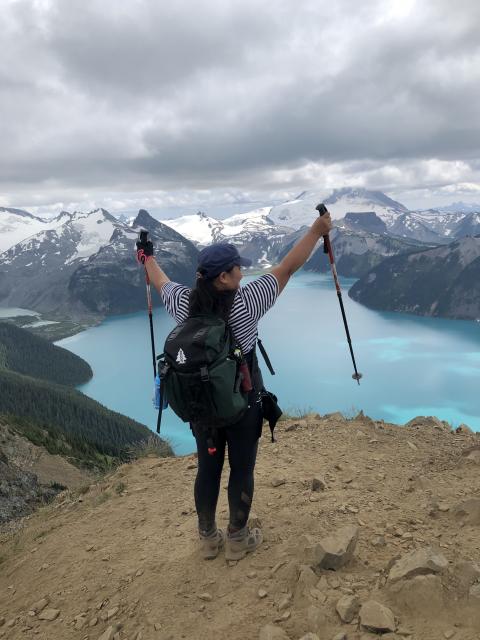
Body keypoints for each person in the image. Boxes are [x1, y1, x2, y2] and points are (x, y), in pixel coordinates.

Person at [136, 212, 332, 561]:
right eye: (237, 269)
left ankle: (209, 539)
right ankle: (238, 539)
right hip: (243, 404)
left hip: (203, 409)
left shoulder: (183, 303)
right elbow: (288, 267)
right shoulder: (247, 301)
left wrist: (146, 256)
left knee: (208, 468)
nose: (244, 272)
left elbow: (159, 280)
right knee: (241, 469)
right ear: (224, 277)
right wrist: (317, 230)